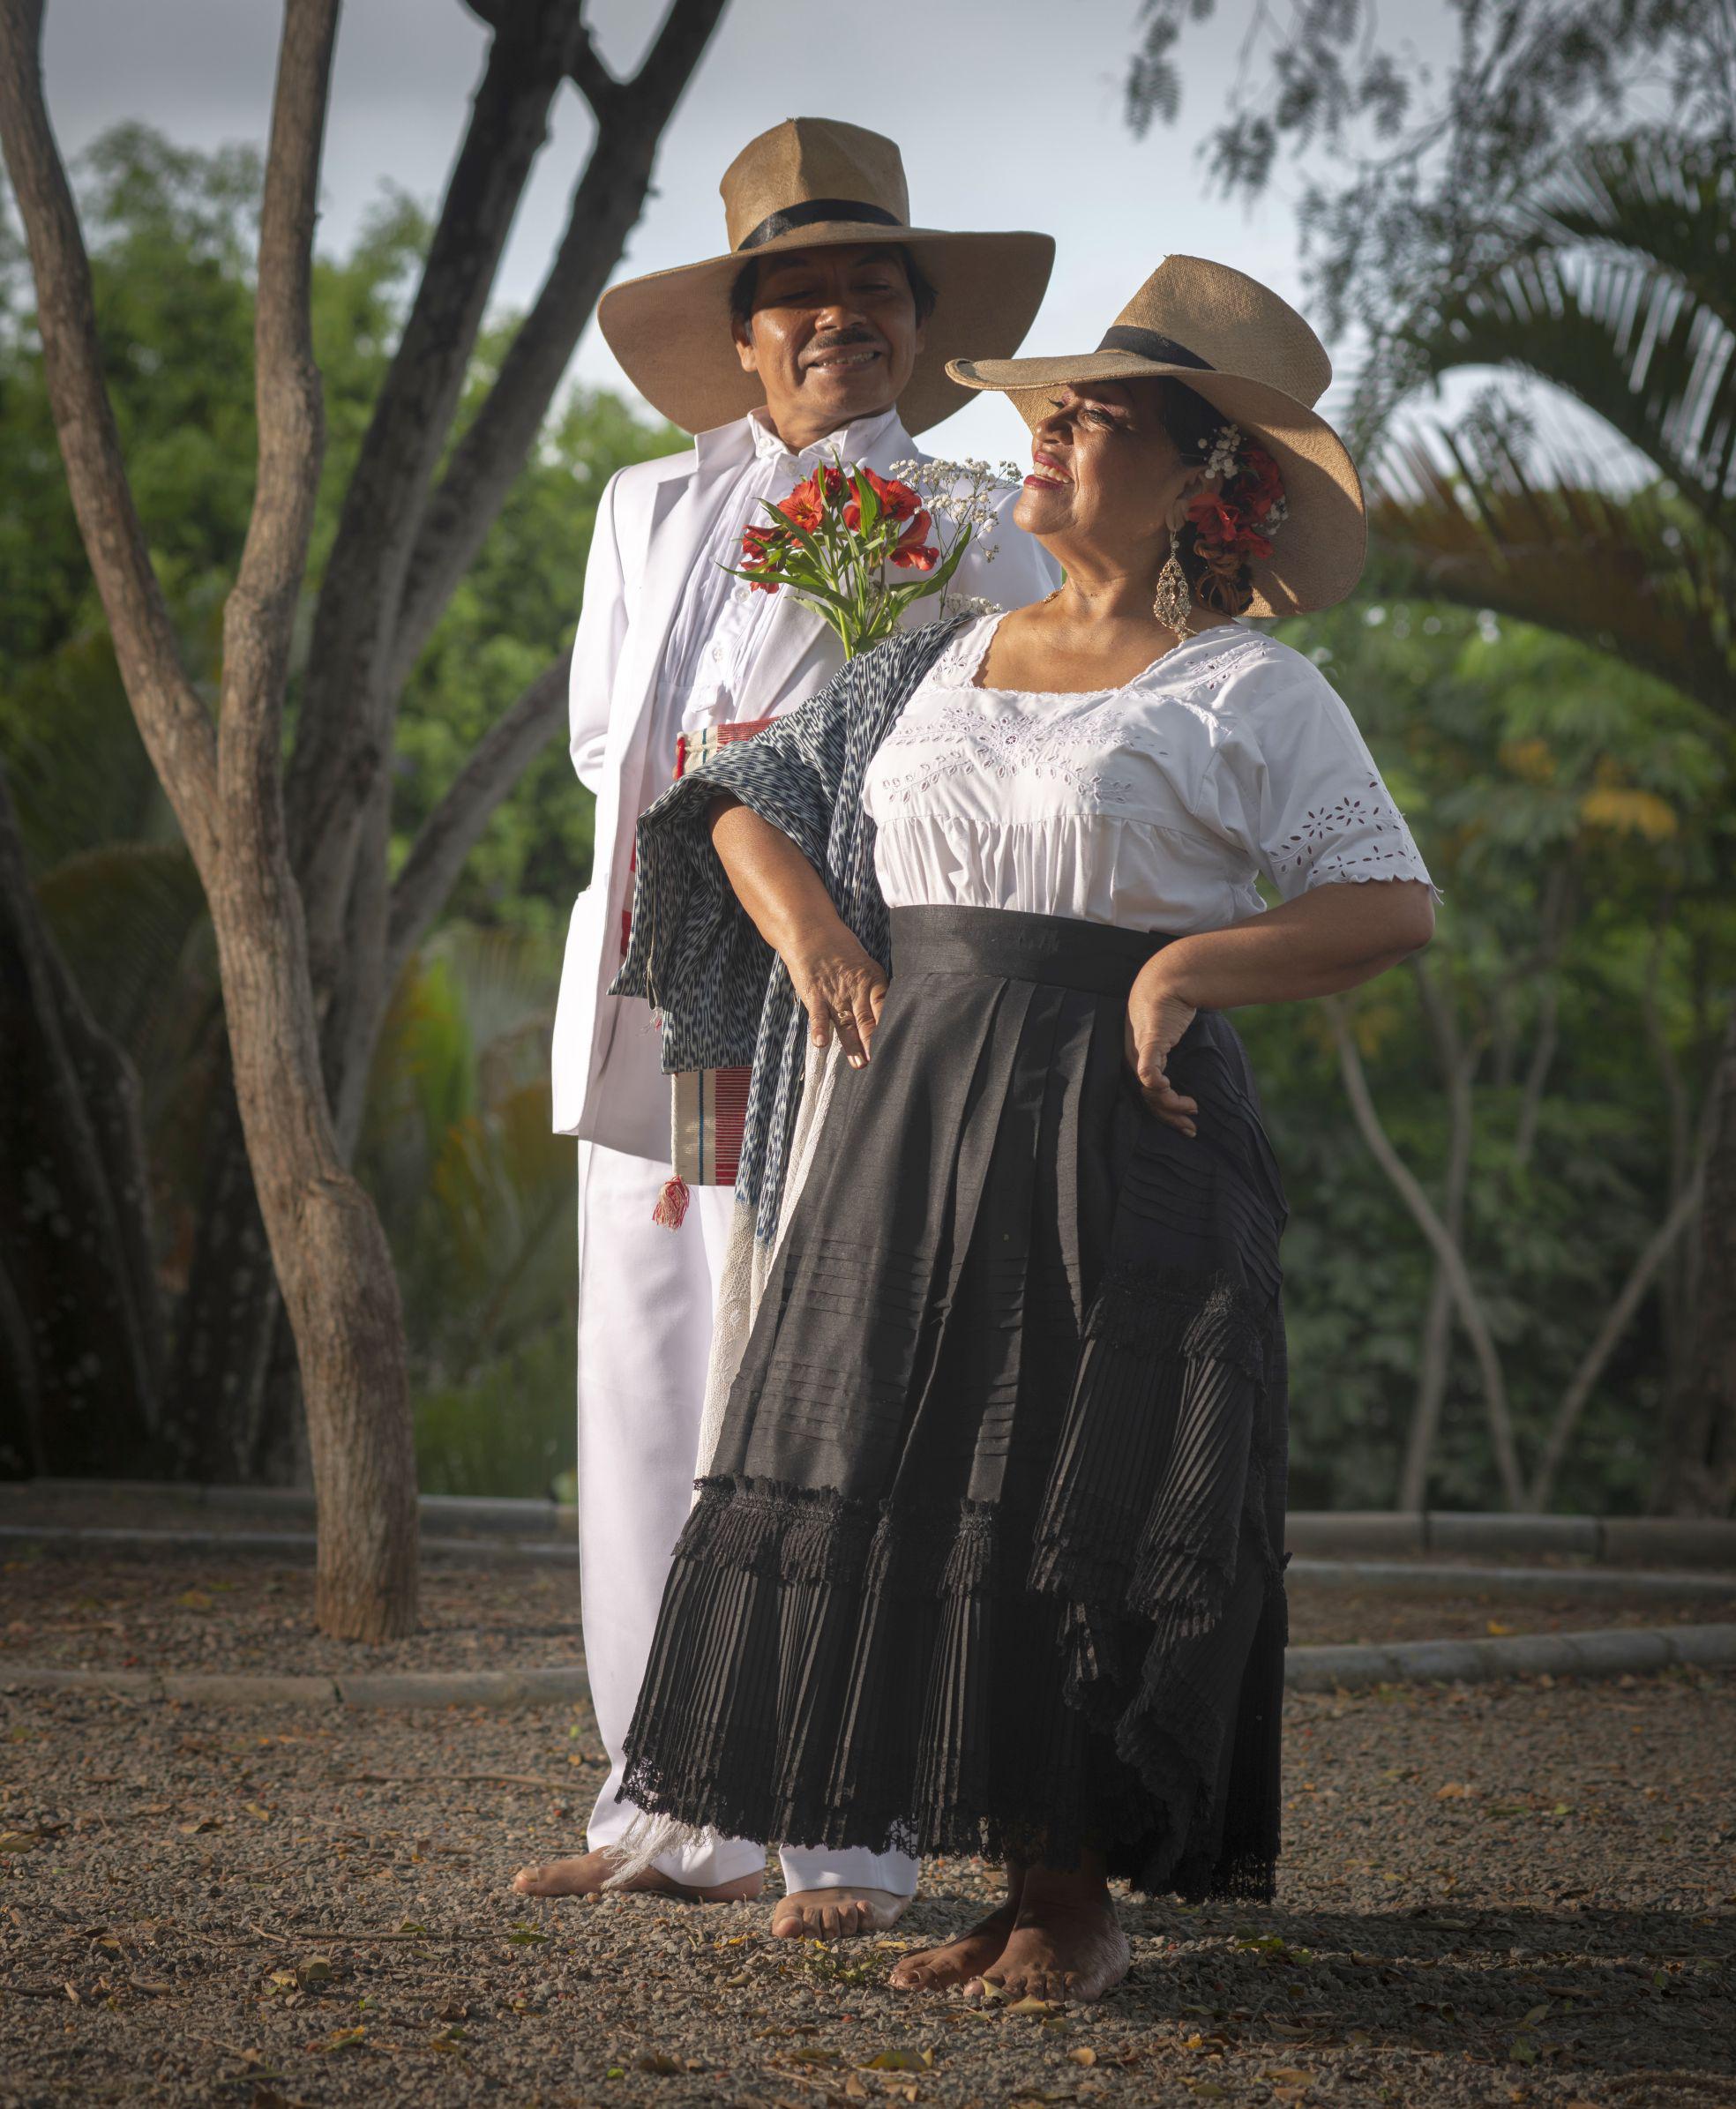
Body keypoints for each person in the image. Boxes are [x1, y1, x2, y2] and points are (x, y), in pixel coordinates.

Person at [601, 256, 1440, 2000]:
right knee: (928, 1479)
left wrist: (1190, 965)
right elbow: (738, 798)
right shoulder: (934, 651)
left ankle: (1075, 1902)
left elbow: (1387, 902)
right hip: (914, 1114)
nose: (1045, 433)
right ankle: (1003, 1881)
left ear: (1203, 475)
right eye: (1049, 409)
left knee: (1078, 1483)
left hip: (1122, 1122)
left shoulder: (1246, 688)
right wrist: (819, 941)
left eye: (1094, 415)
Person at [515, 117, 1057, 1941]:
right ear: (741, 334)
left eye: (874, 287)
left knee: (837, 1379)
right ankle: (670, 1806)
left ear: (919, 319)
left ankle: (843, 1834)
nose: (841, 316)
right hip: (664, 973)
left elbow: (1006, 747)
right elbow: (609, 745)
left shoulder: (978, 516)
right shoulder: (642, 507)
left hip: (855, 981)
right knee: (650, 1370)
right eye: (800, 293)